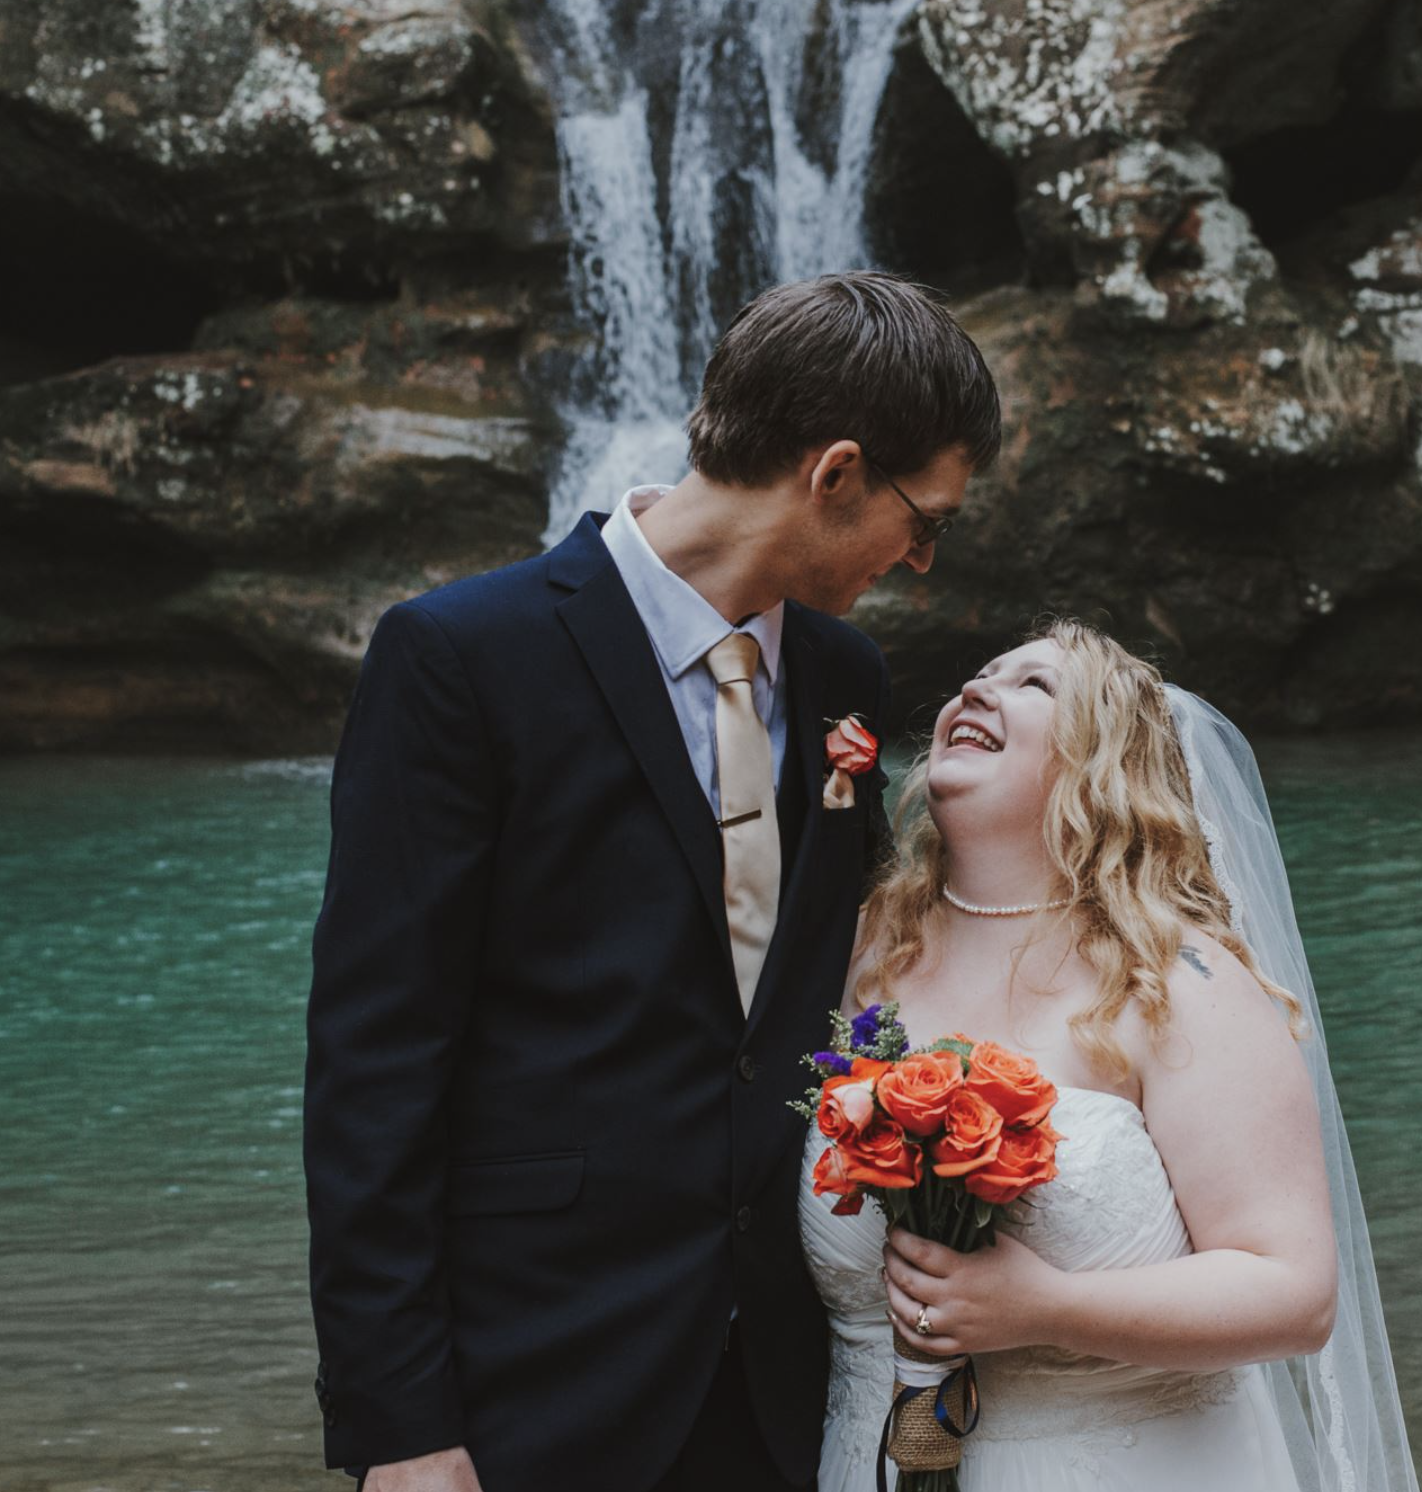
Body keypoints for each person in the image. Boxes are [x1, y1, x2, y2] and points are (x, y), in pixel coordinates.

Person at [303, 271, 1001, 1492]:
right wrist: (401, 1422)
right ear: (835, 472)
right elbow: (375, 1065)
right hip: (539, 1372)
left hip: (784, 1382)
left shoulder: (848, 674)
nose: (924, 560)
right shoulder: (460, 657)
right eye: (923, 518)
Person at [801, 620, 1419, 1490]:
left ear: (1105, 763)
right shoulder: (863, 950)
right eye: (979, 674)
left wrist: (1042, 1307)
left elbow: (1295, 1294)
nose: (978, 689)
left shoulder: (1178, 982)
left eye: (1034, 687)